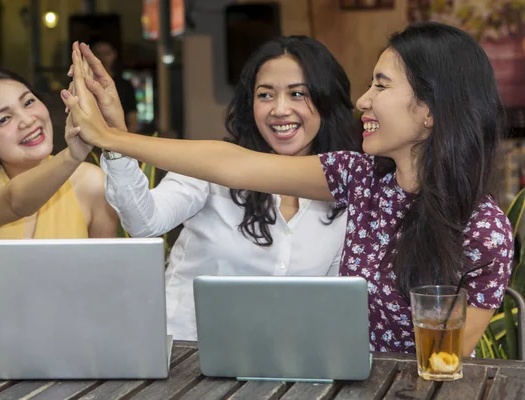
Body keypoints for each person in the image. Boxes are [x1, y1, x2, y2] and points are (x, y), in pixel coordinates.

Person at [64, 22, 514, 356]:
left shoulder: (484, 229)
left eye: (381, 84)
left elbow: (450, 362)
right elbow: (235, 166)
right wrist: (115, 138)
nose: (364, 100)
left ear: (430, 111)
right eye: (266, 94)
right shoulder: (360, 179)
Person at [73, 36, 359, 340]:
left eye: (298, 93)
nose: (280, 109)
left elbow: (331, 302)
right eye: (265, 95)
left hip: (275, 365)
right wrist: (115, 140)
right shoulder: (212, 170)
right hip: (184, 358)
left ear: (327, 100)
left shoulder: (344, 190)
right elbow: (144, 222)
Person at [0, 69, 118, 240]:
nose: (27, 120)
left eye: (28, 102)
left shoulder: (92, 183)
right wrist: (72, 156)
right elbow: (13, 202)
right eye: (3, 119)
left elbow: (104, 267)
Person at [90, 39, 138, 132]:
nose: (102, 58)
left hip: (118, 135)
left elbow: (132, 117)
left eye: (106, 53)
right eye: (97, 54)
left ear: (114, 55)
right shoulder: (84, 83)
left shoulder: (125, 85)